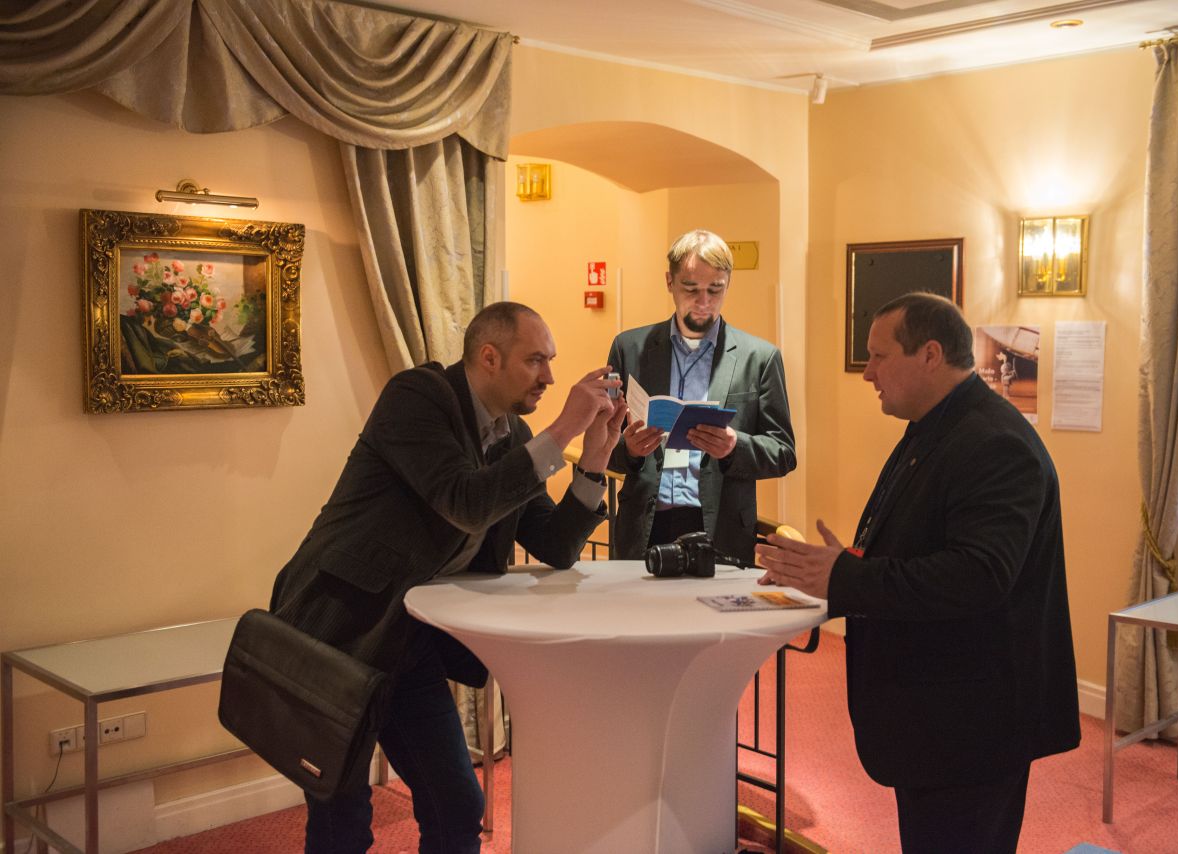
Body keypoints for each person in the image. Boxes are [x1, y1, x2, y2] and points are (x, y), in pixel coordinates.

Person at [269, 301, 626, 854]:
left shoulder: (512, 436)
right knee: (342, 816)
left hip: (407, 639)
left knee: (457, 806)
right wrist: (564, 429)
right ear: (489, 357)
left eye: (550, 361)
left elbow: (555, 545)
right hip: (340, 627)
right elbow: (465, 502)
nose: (550, 378)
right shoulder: (417, 397)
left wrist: (594, 461)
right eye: (535, 361)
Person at [754, 292, 1079, 853]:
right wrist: (839, 570)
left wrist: (844, 578)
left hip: (973, 723)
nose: (868, 373)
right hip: (940, 717)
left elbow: (978, 576)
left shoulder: (995, 443)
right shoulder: (940, 426)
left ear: (930, 355)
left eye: (879, 356)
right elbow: (926, 549)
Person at [606, 228, 796, 565]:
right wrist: (630, 449)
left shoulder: (760, 357)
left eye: (715, 289)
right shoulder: (629, 348)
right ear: (669, 282)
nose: (703, 301)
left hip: (720, 527)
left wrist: (734, 446)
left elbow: (783, 453)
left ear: (728, 284)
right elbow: (603, 448)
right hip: (645, 525)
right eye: (691, 289)